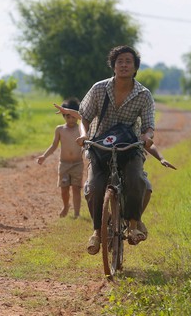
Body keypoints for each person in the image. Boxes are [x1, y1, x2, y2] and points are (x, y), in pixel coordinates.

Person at [55, 102, 177, 238]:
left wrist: (161, 158)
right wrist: (68, 111)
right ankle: (100, 229)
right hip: (102, 158)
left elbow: (145, 142)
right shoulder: (100, 124)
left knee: (145, 187)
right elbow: (83, 117)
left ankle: (136, 220)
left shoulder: (133, 128)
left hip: (129, 157)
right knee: (91, 188)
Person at [76, 45, 155, 255]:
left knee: (136, 179)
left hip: (129, 148)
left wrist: (147, 137)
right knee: (93, 187)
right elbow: (83, 116)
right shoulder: (99, 89)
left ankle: (133, 222)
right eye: (120, 61)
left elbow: (148, 125)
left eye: (129, 61)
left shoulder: (144, 95)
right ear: (113, 66)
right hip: (100, 147)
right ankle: (96, 231)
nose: (124, 65)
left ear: (136, 67)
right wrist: (84, 134)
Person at [36, 98, 83, 218]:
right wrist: (44, 156)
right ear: (63, 116)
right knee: (64, 188)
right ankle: (66, 206)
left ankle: (77, 213)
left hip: (78, 163)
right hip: (64, 164)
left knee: (77, 188)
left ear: (77, 115)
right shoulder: (60, 130)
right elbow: (54, 145)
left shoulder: (81, 129)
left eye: (73, 116)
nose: (71, 119)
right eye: (67, 116)